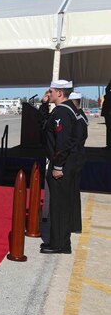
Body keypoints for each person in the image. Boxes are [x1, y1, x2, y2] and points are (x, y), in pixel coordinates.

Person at [40, 80, 78, 255]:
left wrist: (57, 166)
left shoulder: (62, 112)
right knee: (60, 205)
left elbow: (62, 142)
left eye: (51, 91)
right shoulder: (66, 110)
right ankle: (61, 242)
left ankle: (59, 244)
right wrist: (44, 103)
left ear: (60, 93)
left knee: (58, 206)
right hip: (64, 163)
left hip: (61, 165)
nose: (49, 94)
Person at [69, 92, 88, 233]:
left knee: (73, 192)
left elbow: (76, 140)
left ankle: (74, 225)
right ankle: (73, 224)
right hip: (77, 157)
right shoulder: (79, 115)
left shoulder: (79, 117)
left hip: (75, 158)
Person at [102, 81, 111, 149]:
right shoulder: (108, 95)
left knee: (109, 130)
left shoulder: (109, 95)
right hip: (108, 113)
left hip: (108, 113)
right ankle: (109, 145)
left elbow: (107, 89)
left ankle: (109, 145)